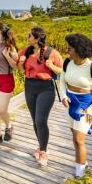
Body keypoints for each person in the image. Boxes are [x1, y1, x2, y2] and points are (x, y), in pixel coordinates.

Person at [58, 33, 92, 178]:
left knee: (79, 139)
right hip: (71, 102)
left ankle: (80, 174)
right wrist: (63, 95)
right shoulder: (67, 63)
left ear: (79, 50)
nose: (67, 51)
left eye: (70, 48)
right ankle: (83, 163)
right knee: (74, 137)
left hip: (86, 104)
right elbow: (62, 81)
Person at [18, 27, 63, 167]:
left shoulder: (52, 53)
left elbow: (62, 71)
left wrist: (52, 66)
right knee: (35, 120)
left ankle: (43, 152)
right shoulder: (26, 51)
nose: (27, 36)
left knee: (40, 120)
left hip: (46, 87)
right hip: (29, 86)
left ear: (37, 38)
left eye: (30, 34)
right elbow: (21, 70)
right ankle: (41, 146)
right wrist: (20, 63)